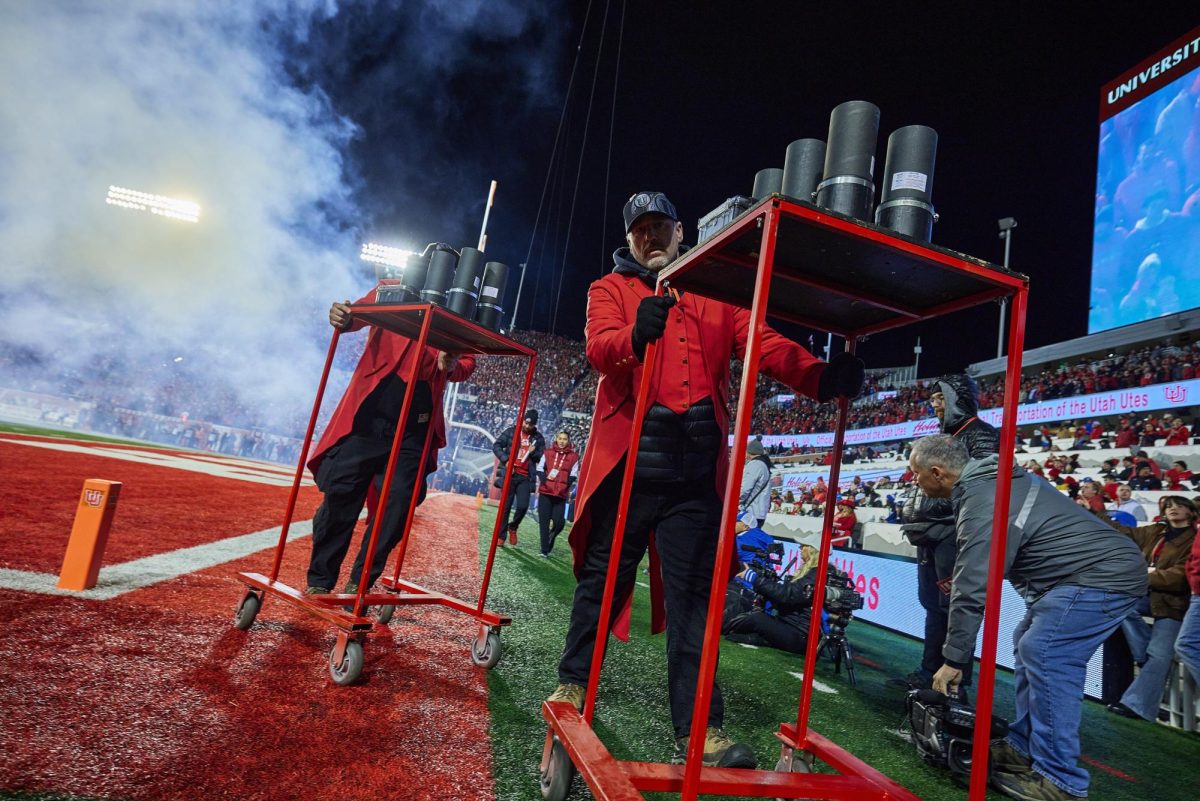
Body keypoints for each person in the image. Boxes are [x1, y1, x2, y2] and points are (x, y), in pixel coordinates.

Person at [546, 190, 863, 769]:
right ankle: (573, 684)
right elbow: (599, 349)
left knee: (696, 605)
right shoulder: (608, 289)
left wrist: (820, 377)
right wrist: (634, 335)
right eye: (639, 229)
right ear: (630, 238)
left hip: (693, 481)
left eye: (659, 225)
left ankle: (701, 730)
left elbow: (764, 344)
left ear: (680, 228)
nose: (650, 237)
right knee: (603, 584)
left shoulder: (720, 294)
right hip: (628, 474)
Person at [912, 435, 1146, 801]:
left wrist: (954, 658)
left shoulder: (984, 497)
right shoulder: (989, 486)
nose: (915, 482)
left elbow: (973, 584)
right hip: (1084, 574)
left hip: (1099, 574)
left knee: (1045, 652)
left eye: (916, 474)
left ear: (937, 473)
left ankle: (1062, 780)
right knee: (1029, 644)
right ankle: (1022, 749)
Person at [305, 295, 476, 595]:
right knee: (341, 494)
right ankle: (320, 580)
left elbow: (466, 362)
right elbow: (355, 314)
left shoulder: (458, 307)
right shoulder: (395, 288)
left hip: (415, 427)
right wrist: (343, 316)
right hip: (369, 415)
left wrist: (451, 364)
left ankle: (361, 581)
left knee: (398, 504)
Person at [1104, 496, 1197, 721]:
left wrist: (1144, 576)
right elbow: (1124, 532)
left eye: (1180, 505)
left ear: (1192, 512)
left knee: (1161, 654)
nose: (1173, 509)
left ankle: (1137, 706)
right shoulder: (1156, 531)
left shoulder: (1194, 538)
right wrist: (1095, 512)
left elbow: (1179, 578)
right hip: (1146, 595)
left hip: (1174, 603)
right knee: (1114, 603)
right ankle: (1143, 655)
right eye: (1168, 506)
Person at [723, 539, 824, 653]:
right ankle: (757, 637)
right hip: (792, 630)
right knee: (751, 611)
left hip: (799, 636)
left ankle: (721, 627)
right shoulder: (814, 573)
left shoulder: (817, 575)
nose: (800, 549)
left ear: (812, 550)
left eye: (802, 546)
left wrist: (753, 577)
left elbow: (787, 596)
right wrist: (767, 591)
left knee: (757, 618)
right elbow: (786, 600)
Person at [493, 409, 545, 545]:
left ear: (535, 425)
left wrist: (533, 453)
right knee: (506, 506)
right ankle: (501, 536)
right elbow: (496, 445)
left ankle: (513, 527)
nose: (527, 426)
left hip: (525, 477)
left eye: (531, 425)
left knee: (522, 507)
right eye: (526, 423)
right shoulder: (511, 432)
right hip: (510, 474)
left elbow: (541, 456)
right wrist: (506, 460)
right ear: (523, 421)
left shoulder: (538, 438)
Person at [536, 430, 580, 557]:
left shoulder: (574, 457)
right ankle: (544, 550)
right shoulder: (547, 452)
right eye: (560, 438)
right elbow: (540, 469)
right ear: (556, 439)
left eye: (564, 439)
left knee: (559, 522)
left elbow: (573, 475)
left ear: (568, 441)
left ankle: (552, 536)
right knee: (544, 523)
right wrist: (545, 483)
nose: (562, 441)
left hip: (560, 495)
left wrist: (565, 486)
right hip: (545, 493)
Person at [738, 438, 772, 530]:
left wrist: (735, 503)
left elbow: (744, 489)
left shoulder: (755, 465)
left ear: (750, 451)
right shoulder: (764, 465)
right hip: (759, 512)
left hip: (750, 512)